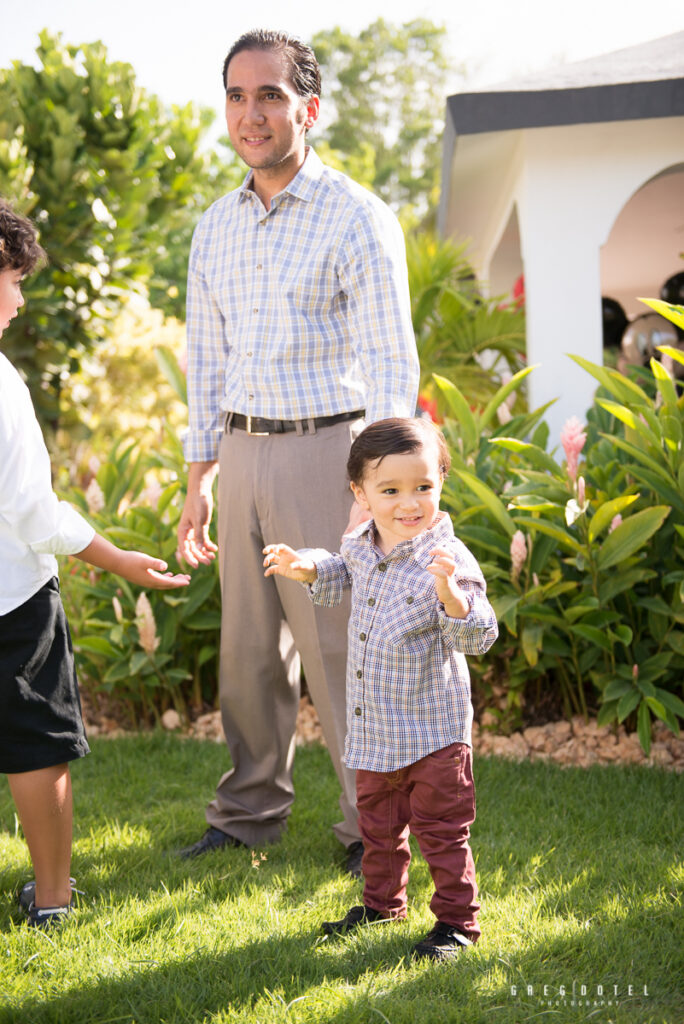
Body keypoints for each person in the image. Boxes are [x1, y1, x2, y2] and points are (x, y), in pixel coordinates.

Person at [176, 29, 419, 873]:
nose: (252, 114)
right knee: (246, 653)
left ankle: (371, 826)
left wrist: (379, 489)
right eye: (238, 96)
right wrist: (197, 480)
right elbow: (204, 362)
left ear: (308, 108)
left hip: (331, 457)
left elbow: (392, 362)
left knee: (340, 647)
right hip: (239, 453)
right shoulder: (214, 228)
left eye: (270, 96)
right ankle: (247, 812)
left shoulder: (357, 216)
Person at [0, 199, 191, 928]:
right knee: (35, 745)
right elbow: (33, 512)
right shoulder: (2, 386)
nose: (20, 298)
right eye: (14, 279)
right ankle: (52, 902)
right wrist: (120, 561)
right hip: (12, 598)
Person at [263, 417, 498, 961]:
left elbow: (479, 633)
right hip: (375, 728)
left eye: (422, 487)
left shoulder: (448, 558)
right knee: (379, 827)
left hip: (434, 732)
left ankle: (457, 923)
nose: (408, 503)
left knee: (442, 833)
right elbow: (343, 570)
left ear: (440, 481)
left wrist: (452, 597)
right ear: (361, 493)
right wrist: (307, 568)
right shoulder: (362, 542)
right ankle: (381, 903)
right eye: (390, 490)